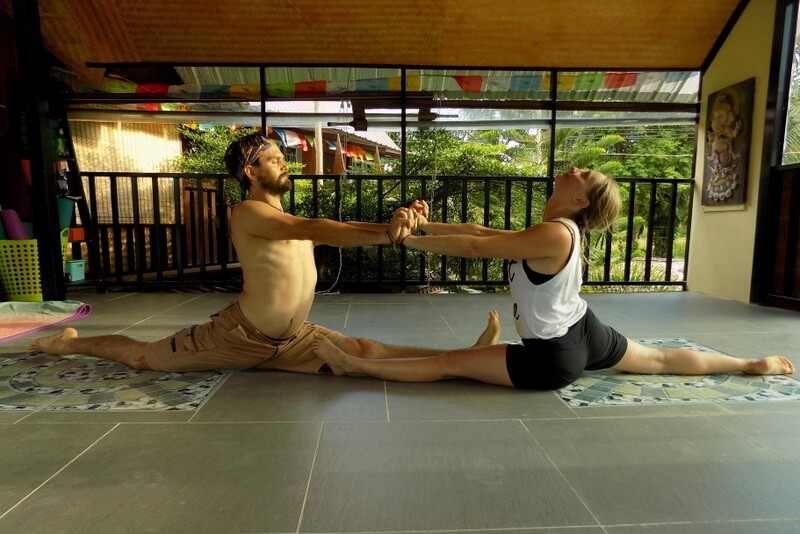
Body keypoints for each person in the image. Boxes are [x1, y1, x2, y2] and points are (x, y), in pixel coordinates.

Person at [28, 133, 499, 373]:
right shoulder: (248, 212)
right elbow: (315, 228)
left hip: (290, 338)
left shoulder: (282, 217)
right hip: (237, 336)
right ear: (251, 173)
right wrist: (389, 233)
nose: (284, 163)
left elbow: (341, 231)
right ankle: (68, 343)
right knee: (143, 358)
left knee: (366, 351)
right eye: (274, 159)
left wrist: (399, 225)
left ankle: (462, 356)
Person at [311, 166, 796, 389]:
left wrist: (405, 241)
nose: (576, 168)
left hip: (552, 358)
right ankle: (747, 363)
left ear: (580, 200)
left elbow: (476, 248)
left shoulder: (553, 234)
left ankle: (354, 367)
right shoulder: (559, 230)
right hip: (584, 329)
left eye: (584, 175)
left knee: (448, 363)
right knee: (660, 358)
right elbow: (480, 232)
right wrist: (424, 224)